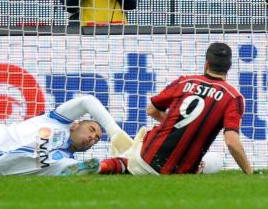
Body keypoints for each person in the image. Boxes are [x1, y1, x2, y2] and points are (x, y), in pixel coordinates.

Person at [98, 42, 255, 175]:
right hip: (179, 170)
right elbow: (232, 142)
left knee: (132, 159)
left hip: (147, 154)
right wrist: (250, 172)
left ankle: (106, 165)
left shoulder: (184, 82)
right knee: (217, 160)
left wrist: (175, 125)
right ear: (229, 67)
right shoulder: (233, 97)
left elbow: (151, 110)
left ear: (206, 64)